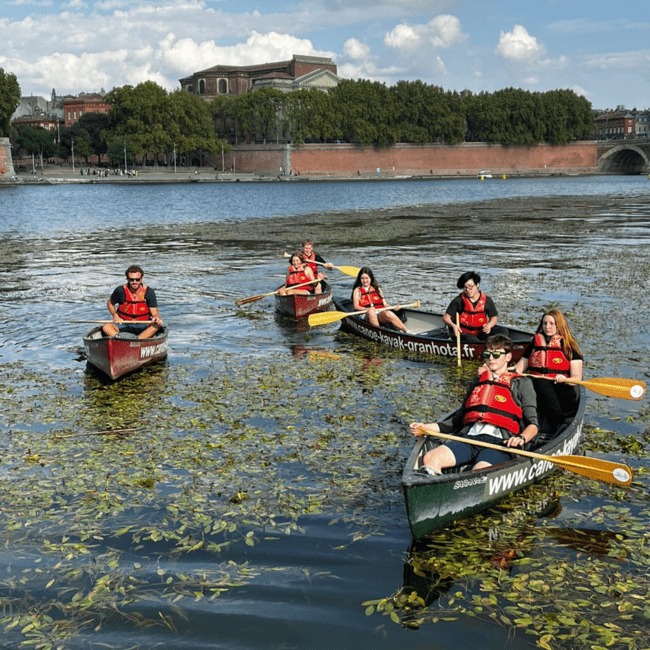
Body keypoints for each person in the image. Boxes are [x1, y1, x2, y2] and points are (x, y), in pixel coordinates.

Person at [409, 335, 538, 475]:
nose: (491, 358)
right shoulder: (476, 383)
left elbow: (533, 424)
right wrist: (425, 427)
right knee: (430, 458)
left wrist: (521, 438)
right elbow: (456, 421)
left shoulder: (521, 384)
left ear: (508, 357)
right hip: (470, 439)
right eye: (487, 354)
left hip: (500, 444)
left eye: (496, 354)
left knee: (479, 472)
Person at [514, 309, 583, 436]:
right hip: (535, 386)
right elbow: (518, 369)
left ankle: (558, 421)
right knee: (530, 383)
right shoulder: (534, 344)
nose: (547, 327)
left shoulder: (569, 347)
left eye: (552, 323)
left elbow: (577, 378)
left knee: (540, 382)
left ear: (559, 325)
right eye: (545, 323)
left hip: (560, 388)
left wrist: (565, 378)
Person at [442, 271, 508, 342]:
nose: (468, 290)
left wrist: (489, 326)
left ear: (477, 285)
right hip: (463, 334)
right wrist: (454, 326)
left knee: (503, 331)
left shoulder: (487, 300)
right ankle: (479, 346)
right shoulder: (458, 300)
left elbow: (494, 318)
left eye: (470, 287)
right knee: (471, 339)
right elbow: (446, 317)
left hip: (480, 333)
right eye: (465, 287)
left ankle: (493, 346)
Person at [102, 265, 163, 339]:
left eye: (137, 279)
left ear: (142, 279)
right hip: (123, 323)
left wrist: (156, 318)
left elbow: (155, 313)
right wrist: (115, 315)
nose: (134, 282)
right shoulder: (120, 290)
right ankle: (120, 339)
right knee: (106, 327)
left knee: (156, 326)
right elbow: (110, 303)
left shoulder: (149, 292)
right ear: (127, 279)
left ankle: (137, 340)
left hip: (143, 324)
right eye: (131, 280)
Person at [351, 267, 410, 333]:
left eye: (366, 278)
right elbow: (356, 306)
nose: (364, 281)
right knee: (371, 312)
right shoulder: (357, 290)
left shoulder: (377, 288)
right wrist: (367, 309)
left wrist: (393, 308)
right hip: (365, 315)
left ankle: (407, 331)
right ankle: (380, 333)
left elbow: (385, 304)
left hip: (378, 313)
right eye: (362, 278)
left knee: (388, 313)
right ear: (360, 279)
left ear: (371, 278)